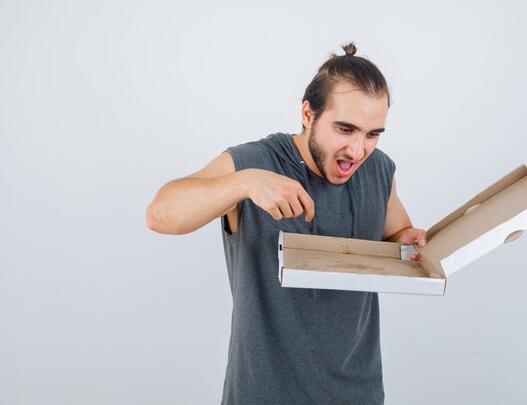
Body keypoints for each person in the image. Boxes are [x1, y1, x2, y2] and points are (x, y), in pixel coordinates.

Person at [146, 42, 427, 405]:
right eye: (345, 129)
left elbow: (397, 235)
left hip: (359, 393)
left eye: (372, 134)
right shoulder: (255, 161)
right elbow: (159, 214)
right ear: (308, 115)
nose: (358, 151)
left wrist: (414, 242)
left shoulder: (378, 169)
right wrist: (244, 182)